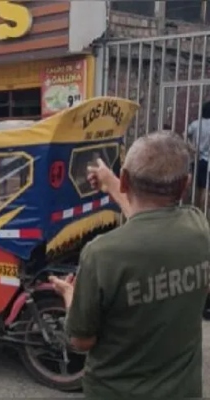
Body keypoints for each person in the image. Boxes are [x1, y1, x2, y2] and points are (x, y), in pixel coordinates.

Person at [49, 132, 208, 398]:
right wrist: (112, 184)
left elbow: (81, 340)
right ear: (185, 185)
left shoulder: (101, 254)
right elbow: (150, 223)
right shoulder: (199, 228)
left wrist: (70, 295)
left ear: (125, 180)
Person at [187, 101, 210, 207]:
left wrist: (191, 147)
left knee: (197, 187)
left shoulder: (196, 124)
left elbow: (185, 134)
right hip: (208, 160)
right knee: (205, 187)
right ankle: (202, 211)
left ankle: (195, 208)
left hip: (196, 159)